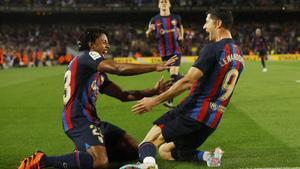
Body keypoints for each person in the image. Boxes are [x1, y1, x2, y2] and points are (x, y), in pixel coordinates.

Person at [18, 28, 176, 169]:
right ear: (92, 45)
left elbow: (123, 95)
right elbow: (118, 68)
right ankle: (43, 160)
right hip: (78, 119)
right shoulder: (85, 56)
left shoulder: (97, 73)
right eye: (104, 42)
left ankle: (85, 153)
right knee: (99, 163)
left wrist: (153, 91)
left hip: (93, 121)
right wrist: (154, 66)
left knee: (136, 151)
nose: (107, 46)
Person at [127, 8, 244, 168]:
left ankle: (146, 165)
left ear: (218, 24)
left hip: (193, 112)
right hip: (211, 121)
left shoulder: (213, 48)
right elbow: (209, 80)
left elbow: (188, 82)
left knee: (149, 141)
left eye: (207, 21)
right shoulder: (238, 53)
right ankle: (209, 156)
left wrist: (154, 101)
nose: (204, 27)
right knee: (165, 151)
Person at [146, 0, 184, 108]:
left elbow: (180, 27)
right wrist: (149, 31)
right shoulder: (154, 19)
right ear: (158, 5)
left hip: (175, 50)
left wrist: (181, 36)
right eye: (161, 1)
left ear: (169, 4)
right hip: (163, 53)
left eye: (166, 1)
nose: (163, 3)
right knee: (176, 76)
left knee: (173, 76)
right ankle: (189, 80)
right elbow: (148, 35)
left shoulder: (176, 17)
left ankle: (169, 101)